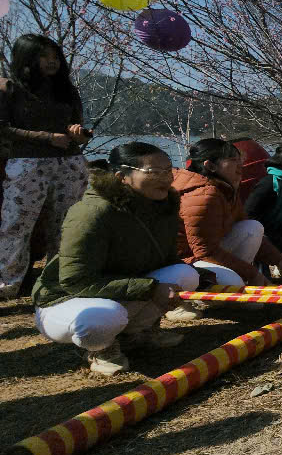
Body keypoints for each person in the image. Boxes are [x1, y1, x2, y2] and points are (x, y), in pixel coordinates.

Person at [31, 142, 199, 376]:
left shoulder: (163, 206)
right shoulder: (92, 213)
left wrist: (202, 276)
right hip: (65, 299)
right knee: (104, 318)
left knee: (185, 275)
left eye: (167, 170)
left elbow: (165, 259)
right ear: (122, 177)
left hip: (115, 291)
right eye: (153, 172)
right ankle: (101, 347)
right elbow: (74, 281)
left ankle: (137, 332)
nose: (165, 178)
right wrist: (151, 289)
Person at [0, 34, 92, 299]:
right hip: (27, 163)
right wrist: (46, 137)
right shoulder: (9, 88)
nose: (52, 62)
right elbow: (3, 129)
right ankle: (8, 284)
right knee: (16, 223)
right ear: (27, 58)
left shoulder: (65, 89)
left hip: (70, 163)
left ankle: (59, 280)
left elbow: (78, 128)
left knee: (66, 225)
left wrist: (79, 134)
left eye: (55, 57)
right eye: (44, 56)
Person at [171, 139, 282, 317]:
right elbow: (205, 251)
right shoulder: (203, 195)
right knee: (237, 288)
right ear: (210, 166)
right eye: (233, 160)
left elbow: (242, 222)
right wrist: (253, 274)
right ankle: (183, 300)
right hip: (183, 262)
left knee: (252, 227)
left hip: (202, 255)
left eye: (239, 160)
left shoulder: (224, 187)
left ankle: (225, 287)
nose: (240, 166)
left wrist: (278, 260)